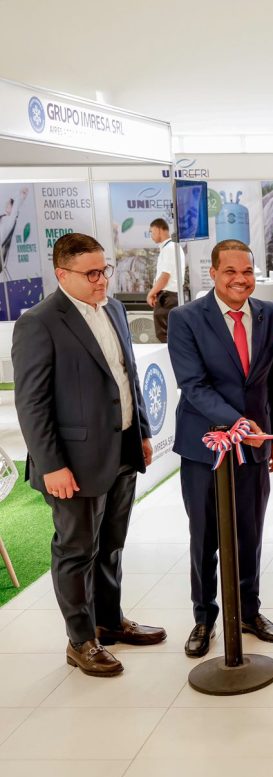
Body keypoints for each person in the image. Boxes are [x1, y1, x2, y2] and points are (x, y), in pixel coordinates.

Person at [12, 233, 166, 677]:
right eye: (91, 273)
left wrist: (141, 432)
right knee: (76, 550)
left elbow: (127, 374)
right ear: (62, 274)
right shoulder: (39, 322)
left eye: (105, 270)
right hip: (72, 462)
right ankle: (80, 640)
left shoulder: (114, 308)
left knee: (111, 545)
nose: (102, 280)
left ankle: (109, 621)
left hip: (120, 447)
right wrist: (52, 464)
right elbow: (32, 403)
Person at [167, 239, 273, 657]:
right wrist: (236, 423)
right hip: (206, 448)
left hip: (256, 445)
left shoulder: (270, 314)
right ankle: (204, 618)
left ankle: (248, 612)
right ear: (214, 274)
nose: (241, 279)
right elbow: (193, 385)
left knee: (250, 532)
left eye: (248, 271)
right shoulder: (185, 318)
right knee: (205, 537)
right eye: (231, 272)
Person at [146, 218, 186, 343]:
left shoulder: (169, 249)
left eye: (152, 232)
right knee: (172, 335)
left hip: (167, 299)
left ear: (159, 230)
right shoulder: (173, 247)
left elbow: (164, 277)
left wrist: (151, 293)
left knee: (164, 336)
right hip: (172, 297)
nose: (151, 236)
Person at [0, 187, 29, 280]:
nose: (6, 205)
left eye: (8, 204)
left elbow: (16, 206)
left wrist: (20, 195)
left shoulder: (10, 220)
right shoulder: (3, 217)